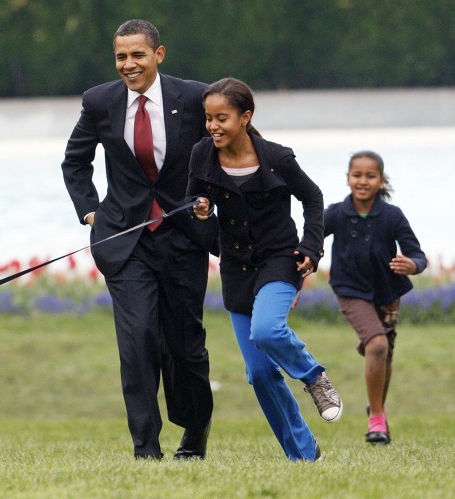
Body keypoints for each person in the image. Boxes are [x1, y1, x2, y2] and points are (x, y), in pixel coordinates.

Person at [61, 19, 218, 460]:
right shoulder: (99, 102)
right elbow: (74, 163)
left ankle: (194, 431)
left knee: (185, 345)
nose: (128, 65)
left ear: (159, 54)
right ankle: (145, 449)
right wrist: (90, 210)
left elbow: (225, 149)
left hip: (183, 238)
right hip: (126, 242)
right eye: (120, 57)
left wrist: (210, 200)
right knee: (138, 342)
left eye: (137, 55)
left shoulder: (193, 97)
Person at [186, 77, 342, 461]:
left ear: (245, 117)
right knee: (258, 373)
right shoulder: (202, 155)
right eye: (208, 118)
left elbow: (314, 198)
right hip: (236, 268)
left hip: (278, 260)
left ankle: (313, 376)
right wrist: (202, 212)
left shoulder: (277, 157)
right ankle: (305, 455)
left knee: (268, 330)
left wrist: (311, 247)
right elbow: (193, 205)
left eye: (222, 117)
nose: (213, 126)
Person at [324, 150, 427, 446]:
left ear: (381, 181)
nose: (363, 181)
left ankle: (376, 408)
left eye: (370, 176)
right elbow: (312, 239)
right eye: (357, 175)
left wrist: (413, 265)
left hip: (388, 292)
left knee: (385, 354)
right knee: (378, 343)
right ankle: (377, 419)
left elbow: (417, 254)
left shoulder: (392, 216)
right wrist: (302, 267)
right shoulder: (336, 214)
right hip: (350, 290)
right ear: (347, 179)